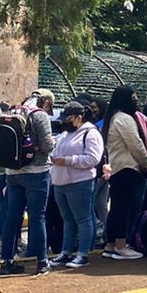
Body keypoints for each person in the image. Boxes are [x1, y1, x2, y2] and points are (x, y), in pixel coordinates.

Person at [0, 89, 56, 276]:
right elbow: (47, 146)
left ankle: (7, 261)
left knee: (11, 217)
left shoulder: (12, 113)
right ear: (45, 102)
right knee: (37, 216)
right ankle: (42, 261)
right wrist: (53, 142)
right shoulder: (39, 116)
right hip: (37, 171)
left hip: (12, 172)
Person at [47, 101, 103, 268]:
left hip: (79, 182)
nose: (65, 122)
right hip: (60, 182)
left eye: (69, 118)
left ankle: (83, 254)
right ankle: (66, 252)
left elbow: (93, 159)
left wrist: (67, 161)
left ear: (79, 117)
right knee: (67, 220)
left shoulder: (91, 134)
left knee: (83, 219)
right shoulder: (65, 134)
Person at [99, 85, 147, 260]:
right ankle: (121, 245)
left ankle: (111, 244)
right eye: (133, 97)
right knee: (124, 208)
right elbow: (136, 145)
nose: (136, 101)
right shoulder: (125, 119)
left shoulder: (112, 118)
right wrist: (146, 163)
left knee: (117, 207)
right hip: (128, 167)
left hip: (116, 167)